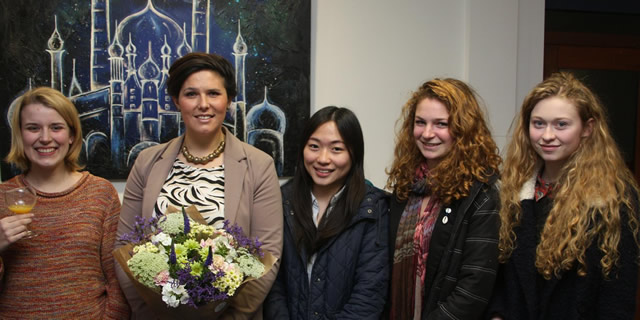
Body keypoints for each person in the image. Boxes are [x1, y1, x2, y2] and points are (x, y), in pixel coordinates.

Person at [115, 52, 283, 319]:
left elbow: (266, 257)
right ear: (176, 101)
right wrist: (151, 312)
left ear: (228, 101)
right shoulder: (147, 162)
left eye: (214, 94)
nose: (203, 104)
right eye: (191, 94)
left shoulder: (258, 165)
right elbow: (123, 251)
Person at [487, 72, 640, 320]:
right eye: (538, 123)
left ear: (588, 128)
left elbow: (617, 297)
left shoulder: (613, 199)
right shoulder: (514, 191)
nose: (547, 135)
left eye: (561, 124)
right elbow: (501, 277)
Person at [0, 87, 130, 318]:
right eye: (33, 128)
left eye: (56, 127)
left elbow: (117, 278)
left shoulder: (100, 193)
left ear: (71, 135)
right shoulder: (4, 196)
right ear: (20, 135)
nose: (45, 138)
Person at [385, 78, 502, 319]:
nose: (427, 134)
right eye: (420, 122)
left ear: (463, 128)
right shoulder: (407, 187)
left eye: (441, 124)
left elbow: (473, 290)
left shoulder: (482, 195)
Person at [264, 106, 389, 319]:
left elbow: (369, 294)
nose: (322, 158)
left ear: (353, 154)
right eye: (314, 146)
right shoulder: (282, 200)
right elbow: (272, 284)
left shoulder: (373, 207)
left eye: (336, 149)